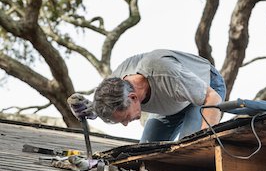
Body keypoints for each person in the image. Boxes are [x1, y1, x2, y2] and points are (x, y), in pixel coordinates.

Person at [68, 49, 226, 143]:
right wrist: (89, 110)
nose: (125, 124)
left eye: (125, 118)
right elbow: (103, 109)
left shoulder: (165, 73)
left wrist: (205, 143)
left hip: (206, 87)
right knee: (145, 151)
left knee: (191, 144)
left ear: (133, 98)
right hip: (172, 99)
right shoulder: (114, 88)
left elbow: (212, 98)